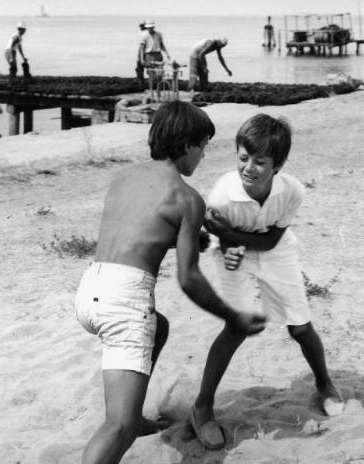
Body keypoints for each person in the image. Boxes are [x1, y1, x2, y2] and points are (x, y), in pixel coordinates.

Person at [74, 101, 266, 464]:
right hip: (124, 302)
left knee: (157, 328)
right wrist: (233, 315)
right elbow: (188, 278)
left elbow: (143, 228)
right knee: (119, 428)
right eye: (203, 146)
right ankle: (127, 423)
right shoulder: (186, 197)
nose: (204, 155)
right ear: (187, 146)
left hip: (90, 290)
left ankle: (135, 416)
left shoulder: (124, 177)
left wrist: (194, 236)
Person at [189, 114, 344, 450]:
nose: (249, 168)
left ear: (278, 165)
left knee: (300, 327)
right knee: (237, 326)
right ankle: (202, 406)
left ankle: (324, 383)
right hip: (232, 254)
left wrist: (226, 233)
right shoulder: (222, 196)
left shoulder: (292, 191)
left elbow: (270, 243)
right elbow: (226, 243)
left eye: (260, 162)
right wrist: (227, 244)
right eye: (243, 158)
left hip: (274, 251)